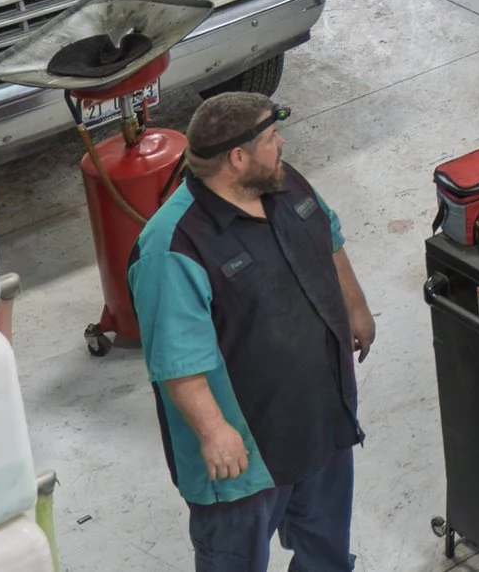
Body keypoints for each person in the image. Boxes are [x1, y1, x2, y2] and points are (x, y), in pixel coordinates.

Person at [129, 92, 376, 572]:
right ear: (237, 159)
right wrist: (214, 430)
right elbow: (175, 356)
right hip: (245, 451)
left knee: (325, 550)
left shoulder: (283, 182)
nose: (281, 143)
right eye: (270, 138)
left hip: (321, 414)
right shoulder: (173, 245)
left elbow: (329, 236)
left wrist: (357, 307)